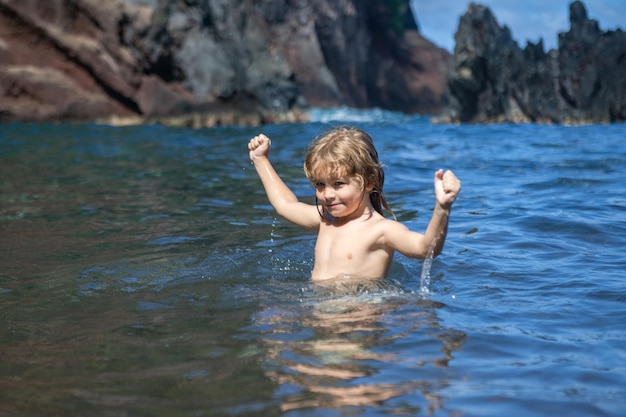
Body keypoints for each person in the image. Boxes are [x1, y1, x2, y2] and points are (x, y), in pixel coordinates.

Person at [248, 126, 461, 281]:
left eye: (339, 184)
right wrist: (261, 160)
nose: (327, 194)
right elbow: (285, 205)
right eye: (320, 185)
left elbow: (425, 249)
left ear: (369, 182)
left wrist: (442, 208)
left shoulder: (381, 231)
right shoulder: (326, 219)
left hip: (357, 318)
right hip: (318, 307)